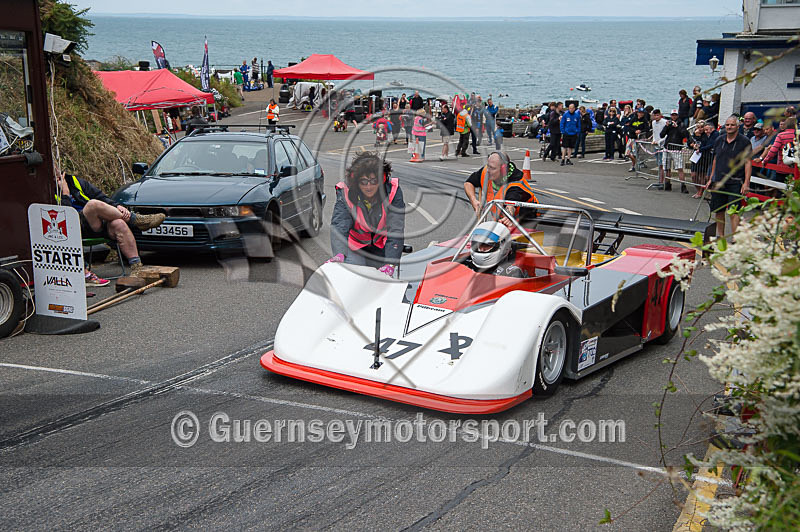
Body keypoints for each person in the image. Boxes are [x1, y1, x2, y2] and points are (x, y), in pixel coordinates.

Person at [56, 172, 165, 277]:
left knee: (119, 223)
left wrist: (117, 206)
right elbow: (63, 216)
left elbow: (100, 196)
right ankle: (135, 219)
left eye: (56, 169)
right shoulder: (47, 190)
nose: (56, 173)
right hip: (72, 229)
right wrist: (65, 194)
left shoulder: (74, 181)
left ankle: (137, 267)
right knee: (92, 205)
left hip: (95, 223)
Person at [328, 152, 405, 275]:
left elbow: (395, 230)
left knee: (381, 280)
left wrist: (390, 264)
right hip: (355, 245)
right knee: (353, 276)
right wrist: (339, 253)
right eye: (364, 182)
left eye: (374, 181)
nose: (369, 187)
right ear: (356, 182)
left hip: (380, 245)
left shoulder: (393, 192)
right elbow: (339, 225)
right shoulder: (346, 192)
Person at [463, 151, 539, 226]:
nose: (488, 171)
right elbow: (469, 183)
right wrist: (473, 200)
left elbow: (510, 205)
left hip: (526, 220)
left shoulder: (516, 183)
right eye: (488, 166)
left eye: (492, 168)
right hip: (502, 220)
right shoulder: (486, 171)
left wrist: (508, 216)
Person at [706, 115, 752, 237]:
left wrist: (746, 182)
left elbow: (748, 162)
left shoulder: (744, 142)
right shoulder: (719, 140)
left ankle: (735, 238)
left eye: (732, 125)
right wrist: (711, 178)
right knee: (719, 211)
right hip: (719, 181)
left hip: (736, 182)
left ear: (738, 126)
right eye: (727, 125)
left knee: (734, 212)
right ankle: (720, 236)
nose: (729, 127)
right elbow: (715, 159)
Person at [659, 110, 689, 192]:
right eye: (672, 115)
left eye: (675, 115)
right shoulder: (669, 124)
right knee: (666, 167)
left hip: (676, 149)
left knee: (679, 168)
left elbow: (684, 135)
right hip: (667, 148)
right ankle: (667, 184)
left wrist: (677, 127)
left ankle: (683, 185)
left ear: (678, 115)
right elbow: (661, 135)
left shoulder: (682, 124)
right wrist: (666, 126)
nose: (674, 117)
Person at [625, 108, 651, 172]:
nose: (641, 114)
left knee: (635, 153)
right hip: (631, 138)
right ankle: (636, 162)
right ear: (637, 113)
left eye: (642, 113)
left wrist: (640, 131)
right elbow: (630, 126)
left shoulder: (644, 120)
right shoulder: (634, 118)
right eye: (640, 112)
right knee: (627, 153)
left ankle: (633, 165)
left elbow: (647, 129)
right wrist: (635, 131)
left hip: (639, 139)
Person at [650, 109, 668, 185]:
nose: (656, 117)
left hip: (663, 145)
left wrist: (659, 141)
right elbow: (654, 133)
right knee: (659, 163)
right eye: (655, 115)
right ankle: (660, 180)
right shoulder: (653, 123)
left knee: (662, 164)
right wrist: (654, 140)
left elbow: (666, 135)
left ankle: (662, 181)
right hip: (656, 145)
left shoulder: (664, 122)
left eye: (658, 115)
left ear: (660, 115)